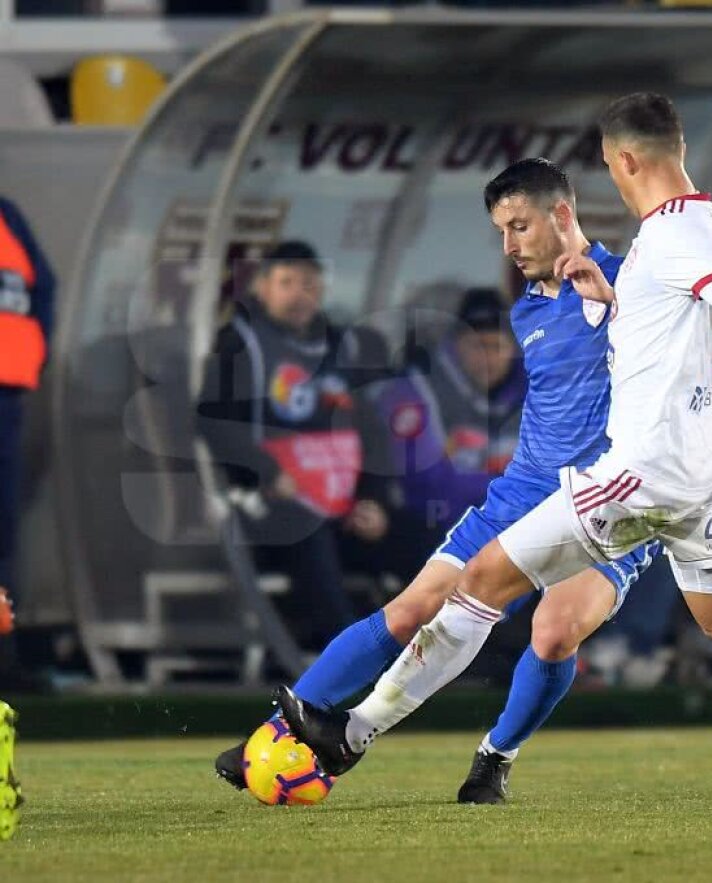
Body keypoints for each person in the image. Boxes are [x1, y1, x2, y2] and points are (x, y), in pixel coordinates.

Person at [280, 93, 712, 806]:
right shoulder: (710, 220)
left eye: (609, 165)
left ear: (627, 160)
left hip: (639, 476)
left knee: (480, 582)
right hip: (708, 479)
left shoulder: (665, 234)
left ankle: (352, 734)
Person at [213, 159, 657, 805]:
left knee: (556, 632)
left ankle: (493, 760)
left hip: (615, 497)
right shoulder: (528, 308)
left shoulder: (634, 283)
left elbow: (697, 339)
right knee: (414, 606)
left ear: (562, 215)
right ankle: (279, 731)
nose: (509, 245)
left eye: (519, 225)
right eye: (500, 231)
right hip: (524, 489)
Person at [196, 240, 398, 647]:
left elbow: (373, 435)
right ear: (262, 289)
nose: (298, 294)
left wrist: (374, 499)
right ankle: (349, 655)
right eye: (286, 282)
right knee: (301, 524)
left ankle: (456, 650)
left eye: (308, 284)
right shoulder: (239, 343)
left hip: (341, 503)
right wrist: (269, 472)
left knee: (419, 530)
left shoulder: (343, 345)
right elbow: (213, 425)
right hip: (265, 503)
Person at [378, 287, 526, 539]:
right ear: (455, 346)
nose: (487, 357)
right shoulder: (414, 393)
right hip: (431, 532)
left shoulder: (540, 393)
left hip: (515, 533)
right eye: (476, 346)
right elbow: (428, 485)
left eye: (496, 346)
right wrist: (516, 493)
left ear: (513, 349)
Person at [0, 194, 55, 689]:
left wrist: (34, 355)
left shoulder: (7, 214)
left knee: (2, 537)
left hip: (6, 397)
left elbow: (44, 289)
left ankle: (4, 660)